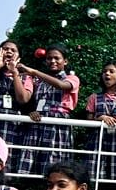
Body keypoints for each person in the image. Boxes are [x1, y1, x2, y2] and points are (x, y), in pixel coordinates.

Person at [13, 44, 81, 179]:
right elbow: (26, 100)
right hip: (38, 123)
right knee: (30, 168)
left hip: (58, 125)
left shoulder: (71, 78)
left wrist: (34, 72)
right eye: (49, 58)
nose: (53, 61)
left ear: (65, 61)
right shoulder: (38, 81)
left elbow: (62, 85)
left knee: (56, 169)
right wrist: (31, 112)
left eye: (57, 58)